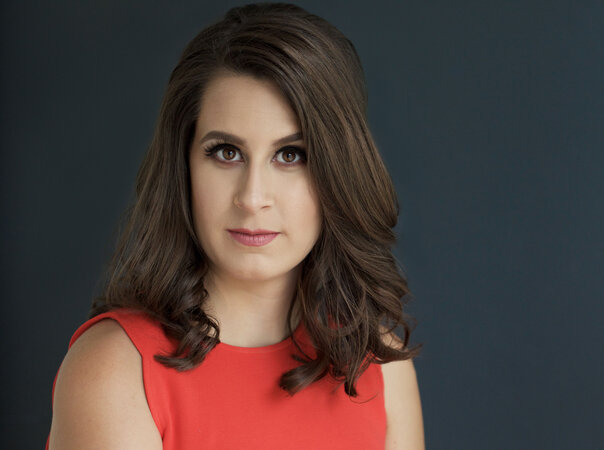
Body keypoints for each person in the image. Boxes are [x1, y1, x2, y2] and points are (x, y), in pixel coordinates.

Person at [46, 3, 424, 449]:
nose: (252, 197)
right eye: (227, 153)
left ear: (339, 172)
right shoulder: (115, 369)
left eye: (291, 155)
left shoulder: (378, 362)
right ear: (184, 166)